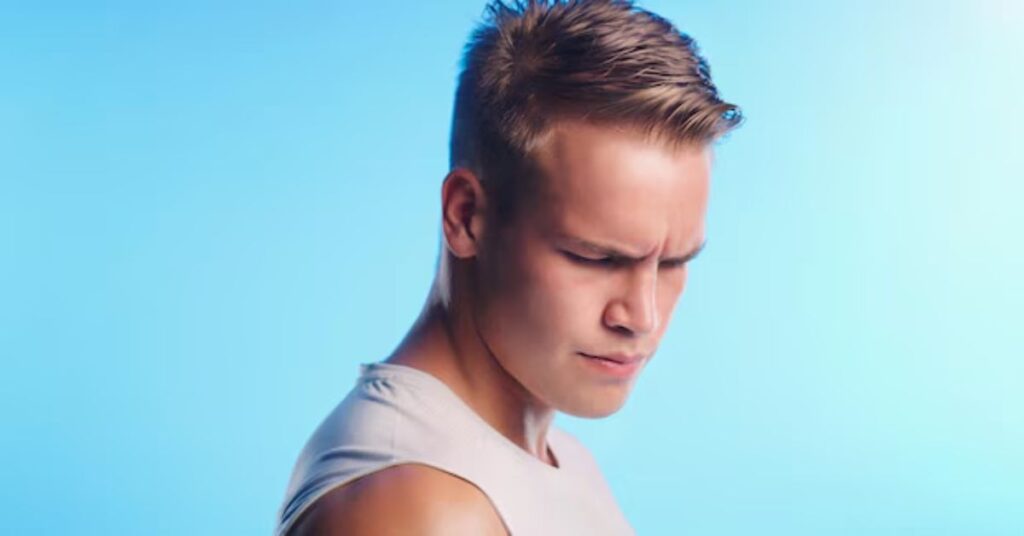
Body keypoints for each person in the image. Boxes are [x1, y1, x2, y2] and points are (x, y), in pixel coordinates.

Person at [276, 1, 741, 534]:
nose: (641, 316)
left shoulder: (553, 458)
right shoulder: (420, 507)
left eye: (673, 262)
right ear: (467, 216)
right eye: (597, 258)